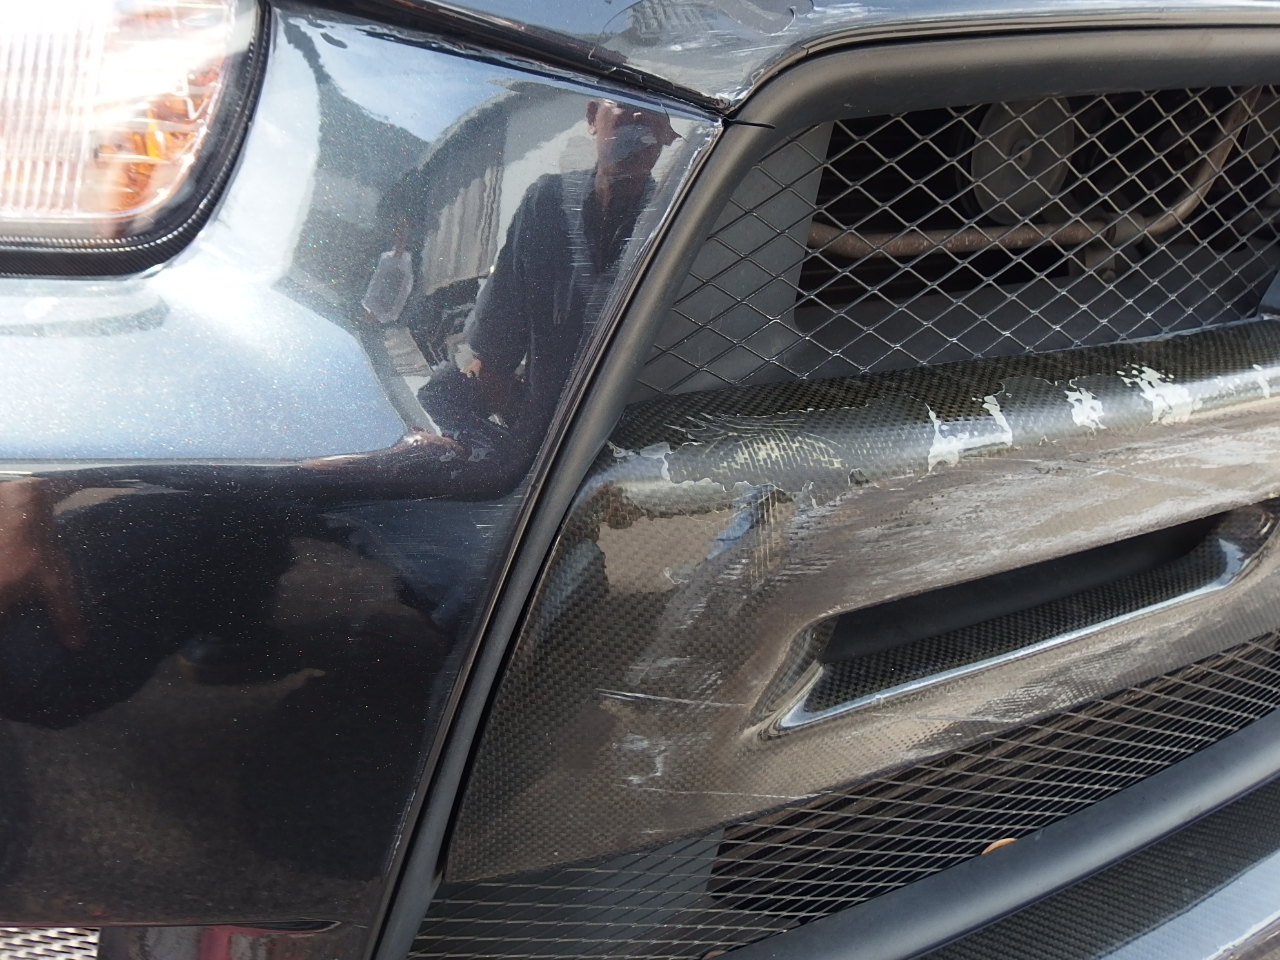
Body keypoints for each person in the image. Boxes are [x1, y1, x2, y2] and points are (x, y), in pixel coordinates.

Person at [419, 99, 680, 469]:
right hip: (548, 432)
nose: (640, 116)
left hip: (642, 437)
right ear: (592, 116)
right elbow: (499, 329)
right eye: (629, 102)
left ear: (667, 136)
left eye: (656, 112)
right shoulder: (547, 201)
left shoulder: (676, 219)